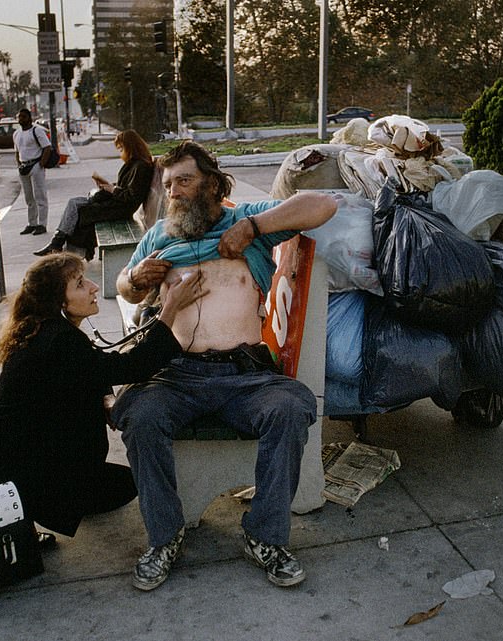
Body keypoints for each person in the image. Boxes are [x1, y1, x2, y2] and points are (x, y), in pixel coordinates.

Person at [112, 141, 336, 591]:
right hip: (178, 373)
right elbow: (124, 286)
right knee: (140, 415)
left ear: (212, 185)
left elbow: (323, 204)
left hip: (244, 375)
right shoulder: (160, 236)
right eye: (168, 183)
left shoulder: (246, 222)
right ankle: (165, 536)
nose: (173, 192)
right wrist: (136, 279)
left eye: (184, 181)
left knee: (290, 408)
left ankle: (265, 537)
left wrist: (253, 227)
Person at [0, 253, 207, 540]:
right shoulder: (59, 340)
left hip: (4, 459)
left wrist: (105, 396)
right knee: (128, 484)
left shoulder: (43, 330)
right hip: (17, 470)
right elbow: (132, 366)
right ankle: (27, 510)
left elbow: (90, 367)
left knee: (121, 486)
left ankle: (35, 509)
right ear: (60, 303)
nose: (94, 287)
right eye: (80, 284)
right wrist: (171, 308)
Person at [34, 129, 154, 256]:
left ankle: (63, 247)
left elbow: (131, 197)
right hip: (117, 204)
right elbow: (125, 187)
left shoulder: (140, 167)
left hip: (120, 209)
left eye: (121, 149)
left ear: (130, 147)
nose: (121, 153)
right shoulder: (135, 164)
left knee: (79, 211)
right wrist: (108, 185)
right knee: (75, 205)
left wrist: (111, 189)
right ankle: (62, 246)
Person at [13, 109, 52, 236]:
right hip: (23, 167)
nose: (21, 119)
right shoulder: (16, 134)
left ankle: (42, 224)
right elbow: (17, 152)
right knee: (29, 197)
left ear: (29, 118)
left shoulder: (37, 131)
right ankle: (32, 223)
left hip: (35, 165)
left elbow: (47, 147)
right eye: (19, 117)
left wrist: (41, 164)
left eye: (23, 117)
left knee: (40, 195)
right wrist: (19, 164)